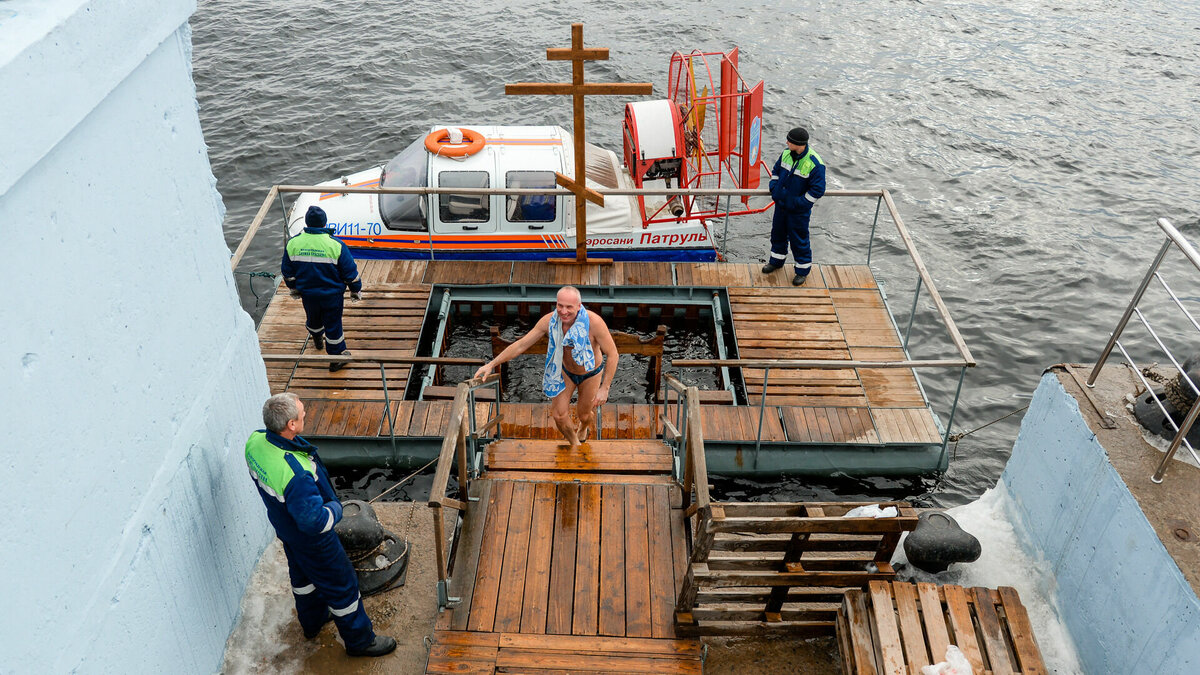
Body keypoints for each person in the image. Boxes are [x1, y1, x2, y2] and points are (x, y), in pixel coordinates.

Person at [244, 393, 397, 657]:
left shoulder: (255, 442)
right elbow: (315, 522)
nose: (306, 416)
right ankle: (360, 641)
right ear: (291, 425)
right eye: (302, 415)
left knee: (303, 578)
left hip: (286, 530)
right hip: (313, 540)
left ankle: (312, 622)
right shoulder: (296, 473)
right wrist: (335, 509)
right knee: (343, 584)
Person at [474, 286, 619, 449]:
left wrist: (604, 388)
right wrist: (492, 364)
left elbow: (613, 354)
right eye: (560, 305)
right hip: (565, 371)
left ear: (579, 306)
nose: (563, 311)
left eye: (569, 307)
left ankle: (583, 427)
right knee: (559, 415)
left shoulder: (594, 323)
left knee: (584, 415)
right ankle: (576, 445)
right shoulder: (549, 321)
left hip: (590, 373)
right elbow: (521, 345)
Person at [281, 205, 363, 372]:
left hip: (308, 294)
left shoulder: (293, 243)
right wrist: (355, 290)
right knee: (333, 325)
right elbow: (350, 273)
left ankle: (317, 337)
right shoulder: (336, 245)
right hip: (331, 296)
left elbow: (287, 272)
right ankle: (336, 358)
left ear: (307, 223)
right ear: (324, 223)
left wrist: (293, 287)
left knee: (313, 317)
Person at [763, 127, 827, 285]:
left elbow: (818, 189)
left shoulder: (815, 163)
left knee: (799, 240)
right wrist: (774, 187)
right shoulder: (786, 153)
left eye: (789, 141)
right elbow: (776, 171)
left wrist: (800, 204)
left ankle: (802, 270)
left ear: (799, 144)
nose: (786, 142)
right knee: (777, 234)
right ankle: (776, 262)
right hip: (781, 205)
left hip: (798, 212)